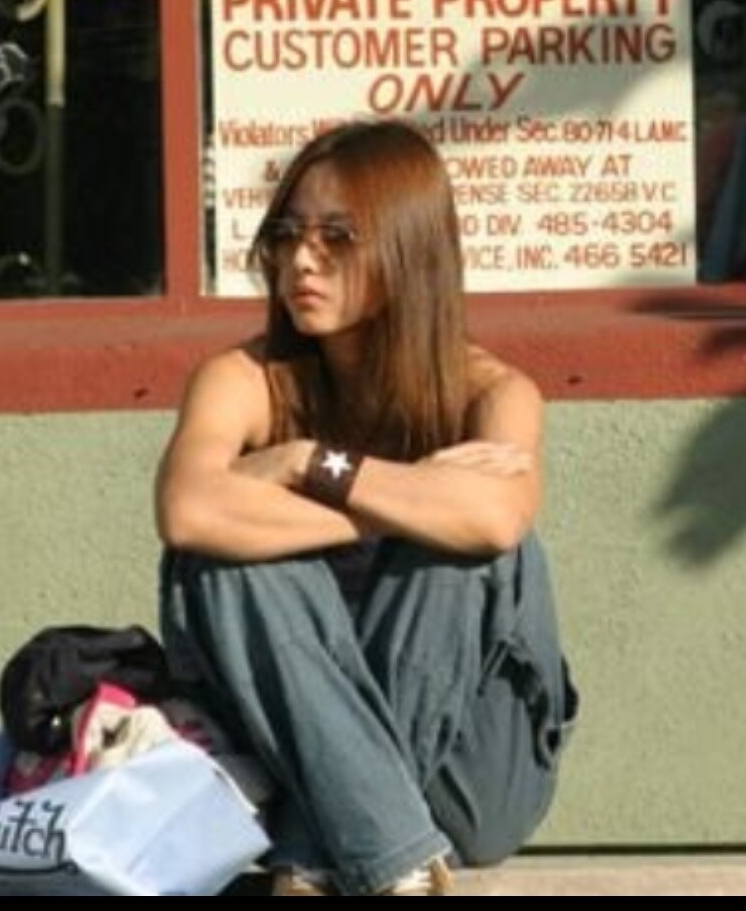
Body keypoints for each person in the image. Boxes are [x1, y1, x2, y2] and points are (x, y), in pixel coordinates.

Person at [155, 118, 577, 897]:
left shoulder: (491, 391)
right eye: (288, 234)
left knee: (467, 548)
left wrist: (308, 464)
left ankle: (331, 849)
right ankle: (391, 863)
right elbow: (188, 511)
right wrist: (404, 494)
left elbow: (496, 520)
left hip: (467, 777)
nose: (301, 259)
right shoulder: (244, 379)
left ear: (408, 250)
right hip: (298, 759)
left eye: (338, 237)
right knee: (220, 557)